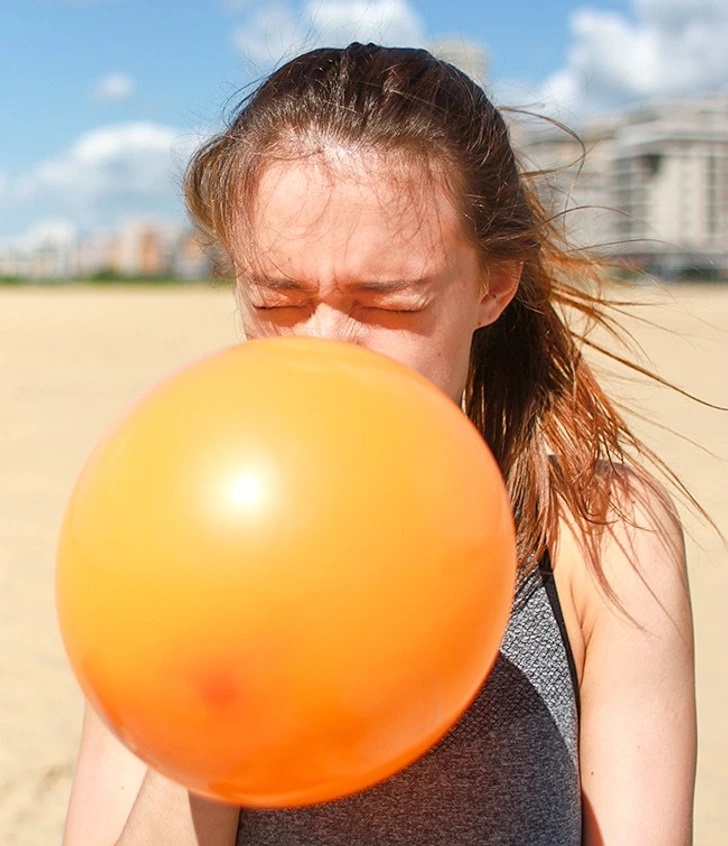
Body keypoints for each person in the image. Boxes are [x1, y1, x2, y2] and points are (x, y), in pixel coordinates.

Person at [61, 43, 696, 845]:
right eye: (279, 299)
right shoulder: (163, 521)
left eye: (390, 305)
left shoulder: (602, 534)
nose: (328, 348)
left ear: (494, 285)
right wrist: (203, 705)